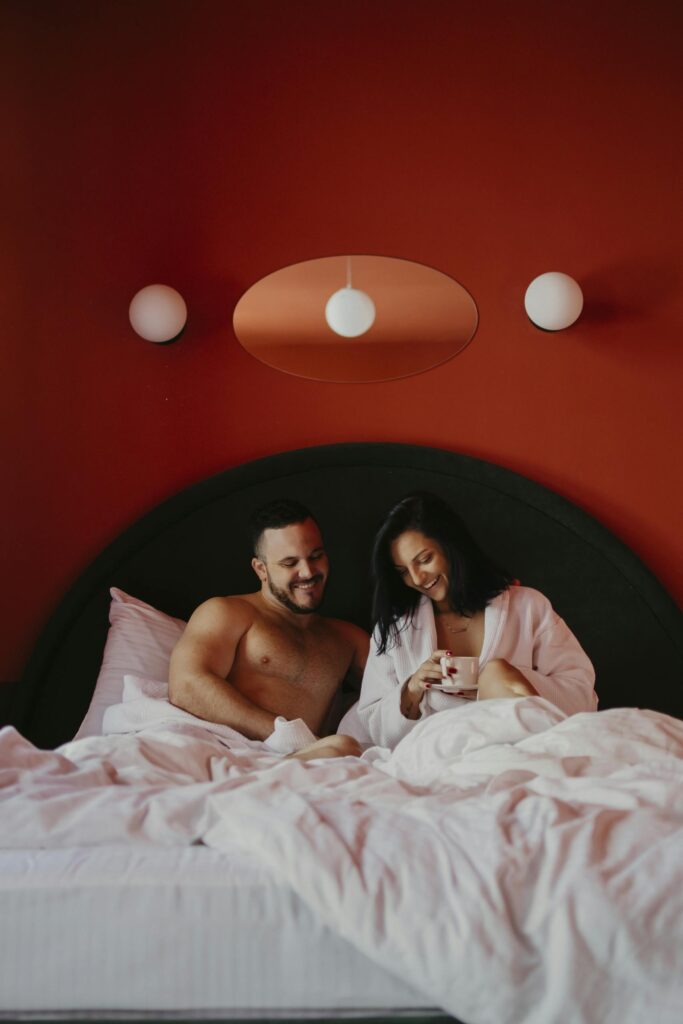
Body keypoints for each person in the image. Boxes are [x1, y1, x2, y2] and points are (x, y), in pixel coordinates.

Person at [352, 492, 597, 749]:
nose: (416, 579)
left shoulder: (527, 607)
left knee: (496, 672)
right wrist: (413, 689)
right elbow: (375, 729)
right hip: (439, 753)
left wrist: (495, 683)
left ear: (451, 546)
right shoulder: (394, 631)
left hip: (520, 744)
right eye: (402, 571)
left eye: (424, 560)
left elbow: (581, 694)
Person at [169, 499, 369, 760]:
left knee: (347, 748)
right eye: (289, 563)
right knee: (340, 747)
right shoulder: (228, 612)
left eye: (316, 556)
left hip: (311, 762)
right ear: (261, 569)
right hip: (236, 752)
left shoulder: (347, 639)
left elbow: (400, 693)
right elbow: (186, 686)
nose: (307, 572)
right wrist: (291, 736)